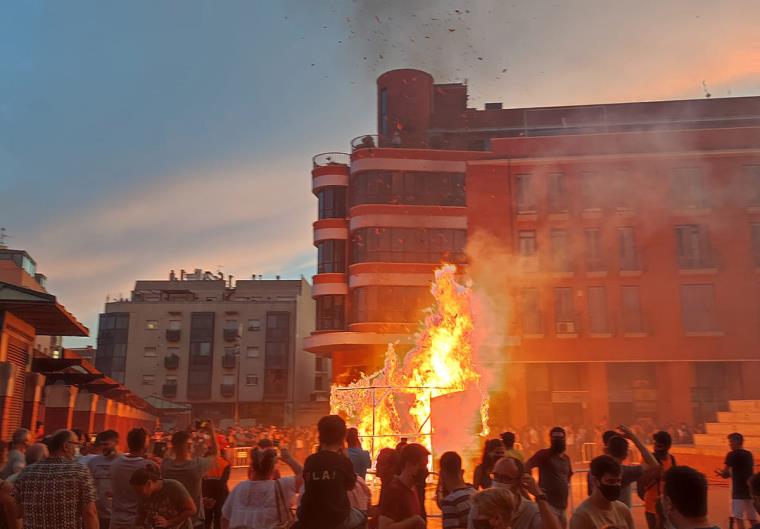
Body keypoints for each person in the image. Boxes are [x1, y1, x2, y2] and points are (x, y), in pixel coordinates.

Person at [14, 429, 98, 529]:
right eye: (76, 444)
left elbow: (17, 511)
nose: (77, 449)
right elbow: (90, 513)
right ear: (65, 446)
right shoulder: (79, 472)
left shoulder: (26, 473)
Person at [298, 415, 365, 529]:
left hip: (308, 516)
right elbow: (350, 485)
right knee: (362, 516)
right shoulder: (343, 461)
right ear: (343, 438)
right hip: (336, 518)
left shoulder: (310, 461)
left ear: (320, 436)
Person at [220, 447, 302, 529]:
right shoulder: (282, 486)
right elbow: (307, 477)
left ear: (252, 468)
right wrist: (289, 459)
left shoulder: (239, 487)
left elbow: (225, 519)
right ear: (274, 468)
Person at [162, 422, 220, 529]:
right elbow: (216, 454)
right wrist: (211, 431)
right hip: (194, 521)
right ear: (189, 446)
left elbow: (167, 454)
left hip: (172, 520)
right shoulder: (196, 466)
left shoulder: (166, 466)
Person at [488, 456, 562, 529]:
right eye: (495, 476)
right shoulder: (482, 504)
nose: (498, 481)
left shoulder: (529, 511)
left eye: (505, 478)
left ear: (518, 482)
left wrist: (539, 496)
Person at [111, 427, 159, 529]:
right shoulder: (150, 466)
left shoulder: (115, 463)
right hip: (139, 522)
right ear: (146, 444)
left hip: (116, 520)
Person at [527, 427, 573, 529]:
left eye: (560, 438)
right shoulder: (544, 455)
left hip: (563, 507)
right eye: (555, 438)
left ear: (564, 439)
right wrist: (535, 488)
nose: (558, 440)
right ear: (550, 439)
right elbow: (527, 466)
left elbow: (568, 477)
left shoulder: (566, 459)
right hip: (548, 506)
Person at [570, 455, 634, 529]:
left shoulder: (623, 510)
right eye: (610, 481)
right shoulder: (582, 516)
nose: (616, 485)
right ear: (595, 481)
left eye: (618, 481)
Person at [378, 443, 429, 529]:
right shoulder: (394, 491)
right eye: (423, 465)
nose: (425, 470)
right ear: (409, 465)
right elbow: (384, 527)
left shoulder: (413, 489)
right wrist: (414, 521)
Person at [132, 464, 197, 529]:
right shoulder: (143, 495)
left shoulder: (173, 487)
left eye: (139, 490)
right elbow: (141, 516)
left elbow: (191, 510)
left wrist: (169, 522)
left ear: (149, 483)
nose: (138, 493)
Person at [717, 432, 757, 529]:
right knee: (752, 518)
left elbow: (725, 473)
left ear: (737, 441)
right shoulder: (749, 454)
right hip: (750, 490)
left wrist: (721, 473)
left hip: (738, 491)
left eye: (731, 442)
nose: (729, 444)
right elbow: (744, 470)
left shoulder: (731, 454)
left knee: (738, 517)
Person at [86, 430, 120, 529]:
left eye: (106, 444)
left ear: (116, 442)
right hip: (97, 514)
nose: (103, 447)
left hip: (116, 515)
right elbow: (88, 486)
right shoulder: (93, 462)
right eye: (102, 444)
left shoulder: (124, 462)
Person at [642, 431, 676, 529]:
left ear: (667, 447)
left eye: (659, 446)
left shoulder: (672, 459)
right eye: (655, 445)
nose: (656, 448)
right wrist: (654, 474)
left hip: (667, 505)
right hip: (651, 505)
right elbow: (642, 481)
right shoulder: (649, 460)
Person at [437, 451, 476, 529]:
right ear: (461, 472)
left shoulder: (450, 501)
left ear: (441, 474)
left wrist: (439, 487)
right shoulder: (474, 492)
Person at [202, 447, 231, 529]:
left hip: (206, 492)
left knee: (207, 519)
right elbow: (224, 480)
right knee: (218, 519)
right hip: (221, 493)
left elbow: (200, 480)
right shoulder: (225, 463)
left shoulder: (204, 462)